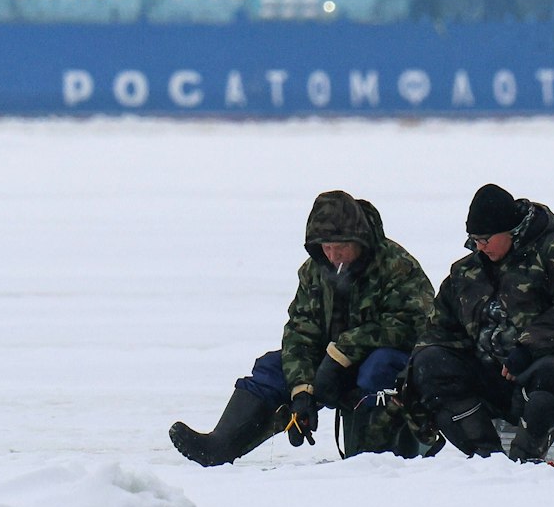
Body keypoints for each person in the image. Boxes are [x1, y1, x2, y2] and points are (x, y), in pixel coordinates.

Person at [170, 190, 438, 466]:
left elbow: (416, 323)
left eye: (341, 247)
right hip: (329, 365)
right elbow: (300, 331)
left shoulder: (397, 265)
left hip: (385, 364)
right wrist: (302, 390)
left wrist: (341, 356)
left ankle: (374, 459)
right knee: (272, 368)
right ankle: (220, 446)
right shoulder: (313, 271)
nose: (334, 256)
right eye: (327, 247)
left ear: (359, 240)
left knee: (378, 370)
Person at [409, 183, 554, 462]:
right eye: (475, 240)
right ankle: (487, 458)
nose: (480, 248)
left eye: (486, 239)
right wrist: (411, 372)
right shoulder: (466, 272)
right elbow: (440, 329)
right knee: (430, 365)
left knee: (550, 376)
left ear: (510, 230)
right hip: (492, 377)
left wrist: (529, 348)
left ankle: (527, 457)